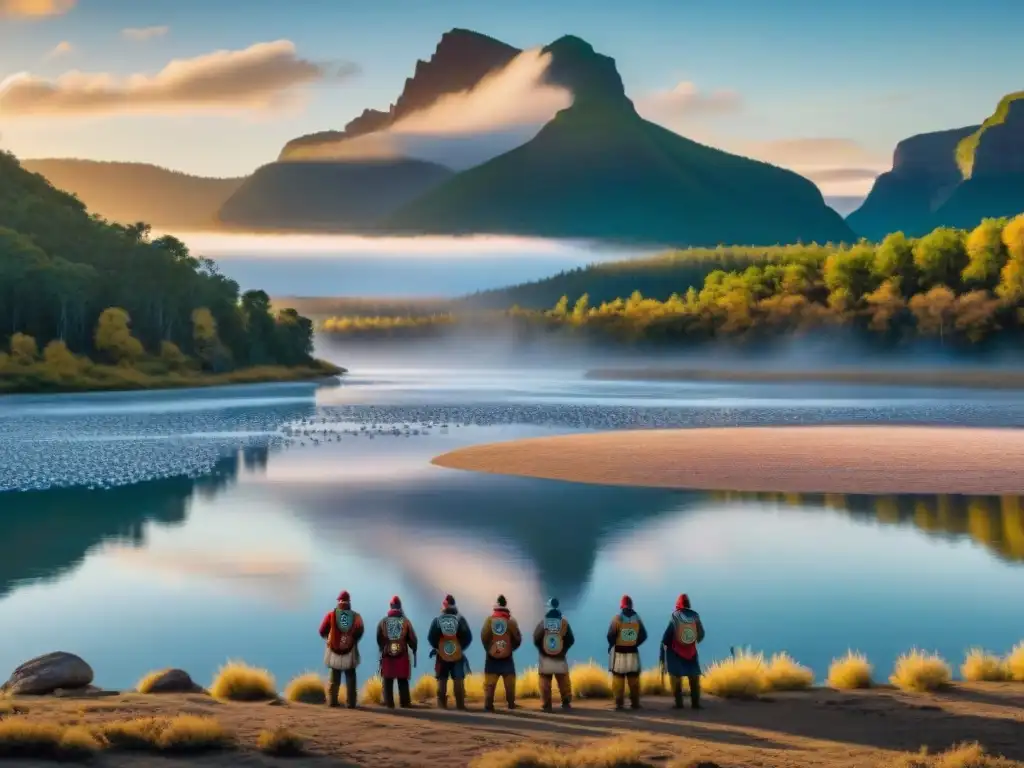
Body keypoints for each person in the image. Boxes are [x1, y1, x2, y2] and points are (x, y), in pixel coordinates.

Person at [318, 590, 365, 708]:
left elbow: (322, 630)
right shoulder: (356, 616)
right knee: (350, 677)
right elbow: (360, 631)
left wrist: (329, 639)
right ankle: (351, 703)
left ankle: (332, 701)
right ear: (349, 601)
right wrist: (353, 640)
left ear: (338, 601)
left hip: (334, 651)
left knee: (334, 676)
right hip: (350, 651)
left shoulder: (330, 615)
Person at [659, 593, 706, 709]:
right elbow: (701, 634)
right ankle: (695, 703)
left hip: (675, 652)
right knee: (694, 677)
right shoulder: (695, 616)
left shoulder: (675, 616)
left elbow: (666, 637)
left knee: (675, 677)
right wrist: (691, 642)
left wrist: (665, 649)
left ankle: (679, 704)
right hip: (691, 652)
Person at [427, 594, 473, 710]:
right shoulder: (460, 619)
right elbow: (468, 637)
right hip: (457, 655)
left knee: (442, 679)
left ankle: (442, 706)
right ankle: (460, 705)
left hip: (442, 655)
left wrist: (438, 647)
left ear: (444, 606)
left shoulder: (438, 620)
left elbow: (431, 637)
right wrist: (460, 647)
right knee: (458, 679)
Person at [480, 594, 522, 711]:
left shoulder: (489, 620)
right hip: (507, 657)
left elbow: (484, 636)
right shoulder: (511, 621)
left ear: (496, 605)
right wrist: (510, 648)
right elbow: (518, 639)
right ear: (505, 605)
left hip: (491, 657)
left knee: (489, 684)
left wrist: (489, 649)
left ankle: (488, 705)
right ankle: (511, 704)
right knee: (510, 682)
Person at [607, 594, 648, 711]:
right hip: (633, 653)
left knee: (618, 680)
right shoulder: (637, 618)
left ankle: (619, 704)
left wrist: (612, 645)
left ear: (622, 605)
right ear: (631, 605)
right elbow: (644, 635)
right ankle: (635, 703)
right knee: (634, 680)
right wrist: (635, 643)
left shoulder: (617, 618)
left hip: (619, 653)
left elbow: (610, 635)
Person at [376, 595, 418, 709]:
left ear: (390, 606)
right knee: (402, 679)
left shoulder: (383, 622)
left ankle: (389, 704)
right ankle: (405, 703)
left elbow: (379, 638)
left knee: (388, 679)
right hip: (402, 654)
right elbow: (412, 639)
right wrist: (414, 648)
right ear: (400, 607)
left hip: (387, 655)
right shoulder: (406, 622)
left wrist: (382, 648)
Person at [533, 597, 574, 712]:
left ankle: (546, 704)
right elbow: (571, 639)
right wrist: (563, 650)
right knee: (563, 679)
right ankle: (566, 701)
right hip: (560, 657)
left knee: (544, 680)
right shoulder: (564, 623)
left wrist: (542, 651)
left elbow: (536, 639)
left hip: (545, 658)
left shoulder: (543, 623)